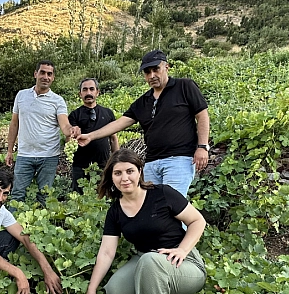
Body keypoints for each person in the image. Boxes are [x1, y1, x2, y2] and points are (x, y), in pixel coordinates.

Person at [78, 149, 207, 294]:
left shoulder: (162, 193)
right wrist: (91, 290)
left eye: (130, 171)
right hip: (145, 259)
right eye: (118, 173)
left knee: (150, 261)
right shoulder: (115, 211)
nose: (124, 178)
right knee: (113, 293)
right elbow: (107, 252)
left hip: (183, 262)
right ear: (112, 177)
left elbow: (198, 221)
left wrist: (183, 250)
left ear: (140, 171)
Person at [77, 50, 210, 197]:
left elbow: (202, 115)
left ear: (166, 67)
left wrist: (202, 146)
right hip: (152, 163)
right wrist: (90, 136)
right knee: (153, 207)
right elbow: (120, 123)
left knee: (173, 205)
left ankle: (194, 221)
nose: (152, 75)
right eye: (147, 72)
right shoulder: (143, 101)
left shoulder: (184, 86)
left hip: (179, 160)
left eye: (155, 69)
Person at [5, 59, 78, 205]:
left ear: (53, 77)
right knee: (17, 194)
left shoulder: (58, 100)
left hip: (48, 155)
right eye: (43, 72)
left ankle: (41, 225)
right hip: (24, 154)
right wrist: (10, 150)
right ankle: (12, 226)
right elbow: (14, 124)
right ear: (35, 74)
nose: (46, 77)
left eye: (49, 74)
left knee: (45, 194)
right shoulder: (21, 95)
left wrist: (71, 130)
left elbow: (64, 123)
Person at [68, 78, 119, 193]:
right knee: (80, 200)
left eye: (92, 89)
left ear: (97, 92)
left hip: (103, 165)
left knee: (104, 197)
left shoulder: (108, 113)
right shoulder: (74, 115)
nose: (88, 93)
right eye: (85, 90)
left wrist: (117, 161)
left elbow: (113, 139)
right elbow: (69, 140)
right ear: (80, 94)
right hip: (80, 167)